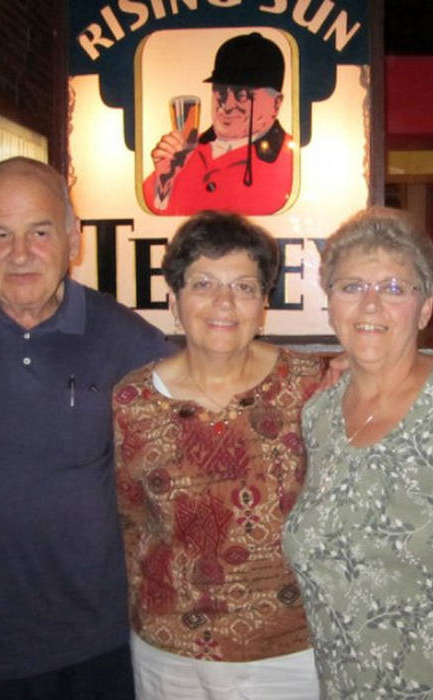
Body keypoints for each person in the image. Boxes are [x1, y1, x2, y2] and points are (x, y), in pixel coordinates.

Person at [0, 157, 174, 699]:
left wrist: (329, 375)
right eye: (0, 234)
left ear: (73, 238)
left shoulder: (121, 334)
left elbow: (206, 387)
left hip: (96, 642)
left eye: (40, 232)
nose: (20, 253)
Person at [282, 206, 433, 698]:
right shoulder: (319, 415)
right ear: (330, 302)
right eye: (351, 286)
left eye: (393, 288)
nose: (370, 305)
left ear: (425, 308)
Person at [112, 210, 325, 699]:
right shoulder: (131, 402)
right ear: (174, 300)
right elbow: (130, 520)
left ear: (264, 303)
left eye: (244, 287)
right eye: (203, 283)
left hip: (291, 650)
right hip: (171, 652)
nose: (224, 302)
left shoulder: (312, 386)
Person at [142, 32, 293, 216]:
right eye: (221, 92)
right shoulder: (181, 151)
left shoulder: (292, 162)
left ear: (276, 104)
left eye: (242, 95)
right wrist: (164, 180)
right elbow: (150, 219)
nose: (226, 106)